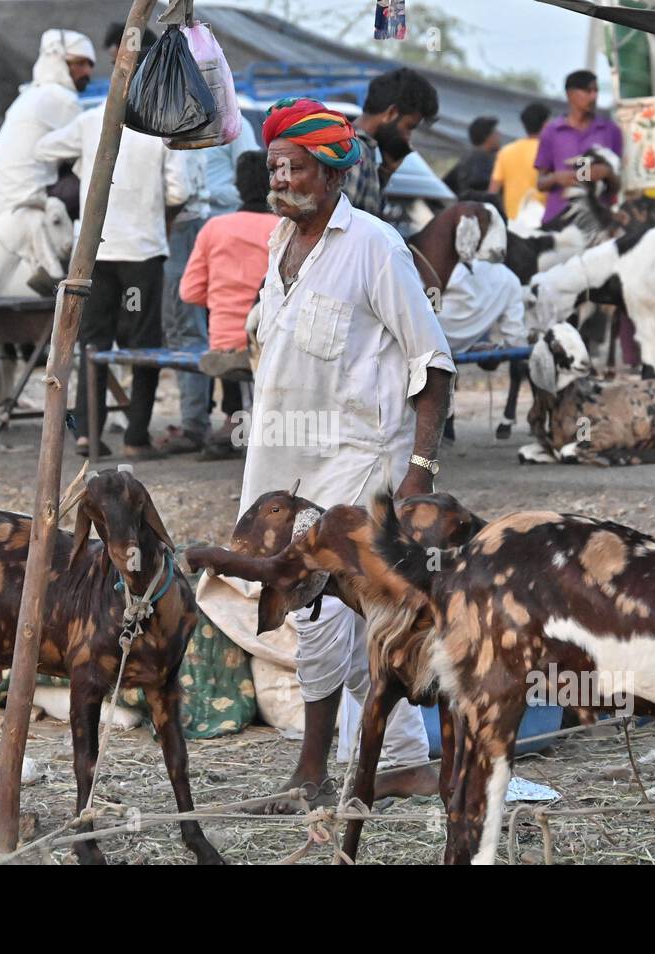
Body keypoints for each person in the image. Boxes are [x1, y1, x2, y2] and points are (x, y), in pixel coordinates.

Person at [203, 97, 454, 812]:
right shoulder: (279, 245)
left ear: (333, 173)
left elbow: (431, 361)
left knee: (315, 610)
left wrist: (420, 474)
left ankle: (310, 776)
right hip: (289, 461)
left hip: (361, 460)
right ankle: (403, 760)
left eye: (297, 167)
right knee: (352, 616)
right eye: (275, 167)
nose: (281, 180)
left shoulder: (373, 245)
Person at [35, 51, 190, 460]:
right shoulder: (162, 131)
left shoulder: (89, 123)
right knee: (143, 344)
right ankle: (136, 437)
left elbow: (45, 147)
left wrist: (80, 166)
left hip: (96, 256)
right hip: (142, 253)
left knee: (93, 343)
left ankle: (87, 433)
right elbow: (180, 191)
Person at [179, 150, 275, 456]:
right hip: (267, 344)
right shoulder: (285, 229)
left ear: (236, 186)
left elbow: (189, 292)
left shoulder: (214, 228)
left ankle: (233, 420)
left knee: (232, 331)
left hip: (222, 342)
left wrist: (223, 297)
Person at [0, 29, 95, 222]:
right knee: (100, 174)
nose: (87, 72)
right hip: (27, 205)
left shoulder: (31, 95)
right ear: (58, 62)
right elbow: (86, 151)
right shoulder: (60, 98)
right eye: (80, 63)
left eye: (90, 65)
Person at [344, 67, 439, 219]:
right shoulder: (354, 152)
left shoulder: (363, 152)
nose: (407, 138)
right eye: (409, 127)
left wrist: (386, 172)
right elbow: (340, 227)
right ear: (391, 113)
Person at [535, 69, 623, 226]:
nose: (594, 96)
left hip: (598, 223)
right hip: (558, 223)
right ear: (570, 94)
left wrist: (607, 173)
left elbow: (617, 185)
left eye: (596, 91)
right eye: (588, 91)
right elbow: (540, 183)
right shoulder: (552, 132)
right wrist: (557, 177)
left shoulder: (610, 131)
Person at [490, 101, 550, 222]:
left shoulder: (505, 151)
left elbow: (493, 191)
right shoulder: (551, 151)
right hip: (542, 222)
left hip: (513, 222)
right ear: (545, 125)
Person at [443, 116, 501, 196]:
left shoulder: (467, 159)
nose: (498, 136)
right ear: (487, 137)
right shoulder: (482, 161)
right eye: (495, 132)